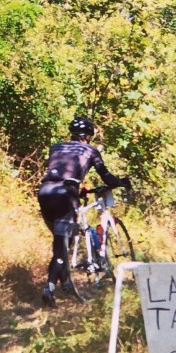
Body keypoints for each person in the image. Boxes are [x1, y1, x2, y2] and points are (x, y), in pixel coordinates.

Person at [37, 115, 131, 306]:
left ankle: (65, 283)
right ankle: (49, 288)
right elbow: (107, 178)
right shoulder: (91, 150)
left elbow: (61, 173)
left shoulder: (56, 147)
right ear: (88, 135)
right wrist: (122, 182)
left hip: (45, 192)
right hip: (65, 194)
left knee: (63, 242)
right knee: (61, 247)